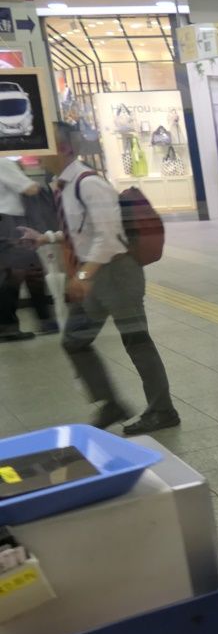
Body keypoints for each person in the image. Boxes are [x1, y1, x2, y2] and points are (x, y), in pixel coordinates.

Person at [19, 123, 178, 433]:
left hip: (115, 273)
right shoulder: (65, 185)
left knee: (137, 341)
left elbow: (109, 239)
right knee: (74, 340)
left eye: (44, 145)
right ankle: (111, 403)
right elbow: (82, 231)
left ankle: (163, 410)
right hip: (96, 275)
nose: (38, 153)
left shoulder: (89, 184)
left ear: (63, 148)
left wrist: (83, 276)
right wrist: (46, 238)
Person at [0, 156, 54, 340]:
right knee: (22, 273)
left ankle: (42, 319)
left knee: (21, 271)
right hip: (9, 223)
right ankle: (10, 326)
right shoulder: (3, 163)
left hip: (6, 224)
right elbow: (29, 189)